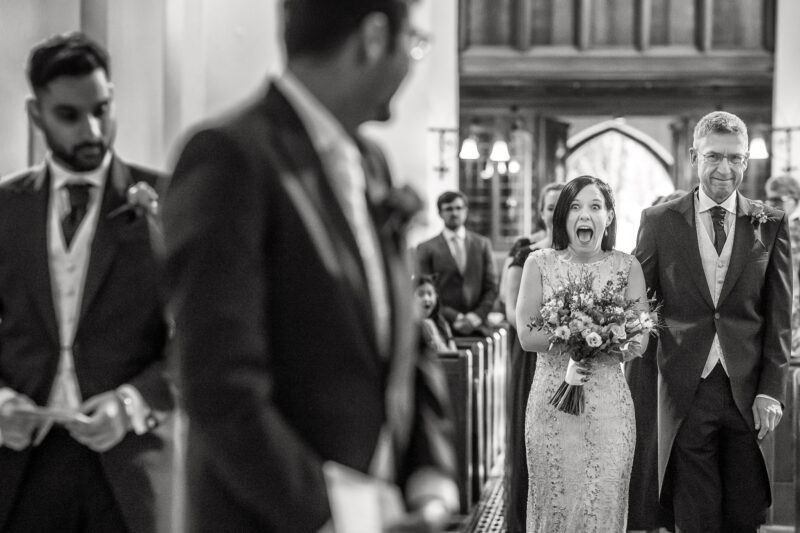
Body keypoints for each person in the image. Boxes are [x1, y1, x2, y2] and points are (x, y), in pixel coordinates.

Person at [162, 1, 459, 531]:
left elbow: (401, 338)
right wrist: (344, 514)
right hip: (277, 518)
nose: (413, 64)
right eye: (412, 43)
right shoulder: (231, 157)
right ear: (372, 37)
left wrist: (429, 479)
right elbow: (218, 384)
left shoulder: (371, 163)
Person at [0, 32, 174, 533]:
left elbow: (200, 336)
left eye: (101, 109)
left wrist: (134, 403)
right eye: (69, 116)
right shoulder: (6, 208)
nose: (92, 129)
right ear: (37, 116)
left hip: (130, 469)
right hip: (23, 470)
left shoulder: (168, 199)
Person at [635, 111, 790, 532]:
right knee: (695, 514)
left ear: (746, 162)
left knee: (744, 512)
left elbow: (779, 318)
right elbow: (639, 306)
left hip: (748, 392)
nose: (725, 168)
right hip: (685, 388)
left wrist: (771, 391)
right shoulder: (659, 222)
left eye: (735, 158)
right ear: (694, 157)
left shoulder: (771, 223)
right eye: (714, 157)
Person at [517, 175, 650, 532]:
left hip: (609, 406)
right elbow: (527, 335)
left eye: (595, 207)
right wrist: (574, 337)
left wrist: (605, 337)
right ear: (563, 217)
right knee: (554, 502)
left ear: (608, 217)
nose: (584, 215)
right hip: (551, 402)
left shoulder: (627, 267)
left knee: (603, 501)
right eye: (575, 207)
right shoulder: (538, 263)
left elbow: (640, 340)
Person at [501, 180, 563, 533]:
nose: (555, 212)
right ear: (540, 211)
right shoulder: (525, 251)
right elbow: (511, 309)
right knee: (533, 436)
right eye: (549, 206)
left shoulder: (582, 250)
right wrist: (548, 335)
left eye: (561, 205)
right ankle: (526, 520)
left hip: (571, 357)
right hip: (531, 355)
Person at [625, 189, 686, 533]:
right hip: (648, 356)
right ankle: (645, 516)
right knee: (646, 437)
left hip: (682, 358)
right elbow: (635, 300)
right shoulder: (647, 251)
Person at [416, 191, 498, 336]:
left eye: (459, 208)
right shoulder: (426, 248)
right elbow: (425, 290)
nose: (454, 213)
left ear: (466, 211)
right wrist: (455, 317)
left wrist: (477, 316)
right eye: (448, 209)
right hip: (441, 328)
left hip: (478, 328)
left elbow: (491, 286)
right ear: (440, 213)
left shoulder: (482, 244)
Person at [764, 174, 800, 358]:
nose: (772, 204)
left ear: (794, 199)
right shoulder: (765, 223)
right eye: (770, 198)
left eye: (778, 199)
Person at [415, 275, 457, 352]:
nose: (426, 299)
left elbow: (453, 354)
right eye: (420, 294)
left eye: (430, 294)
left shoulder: (442, 323)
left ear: (436, 297)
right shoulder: (412, 327)